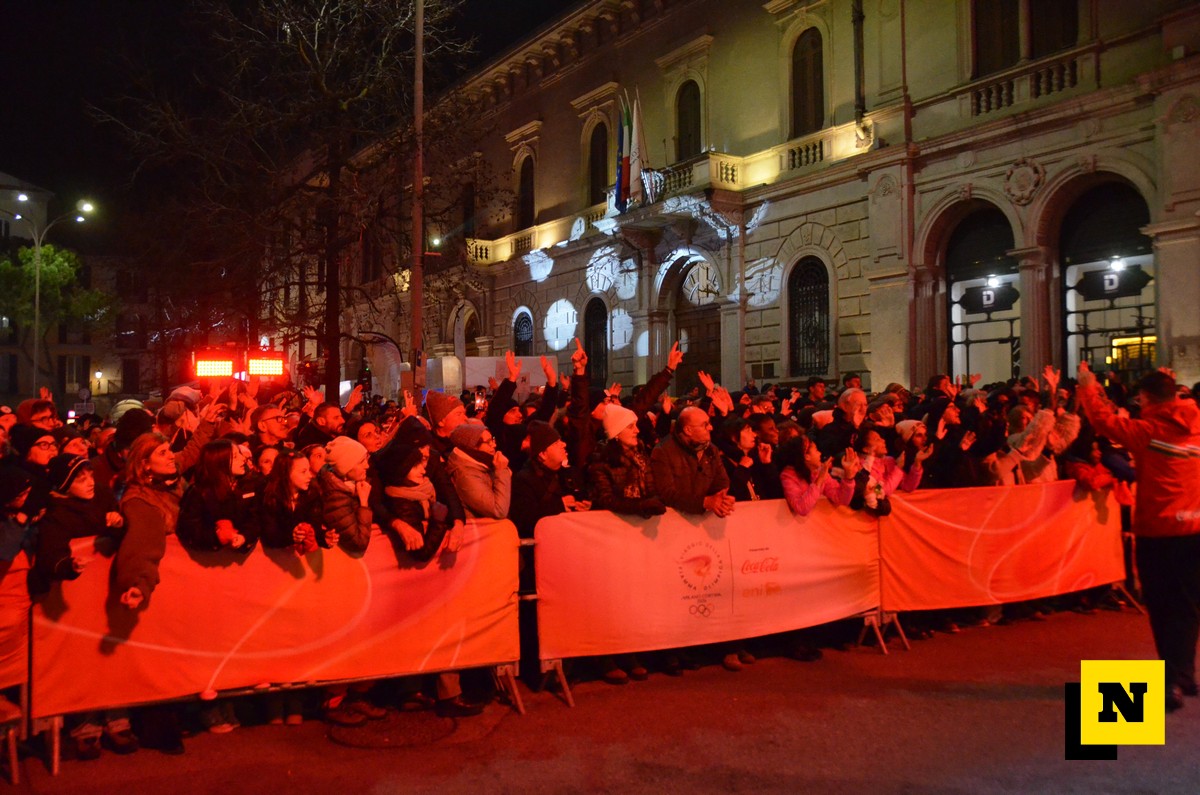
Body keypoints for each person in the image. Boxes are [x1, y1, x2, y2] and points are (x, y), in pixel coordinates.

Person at [1077, 362, 1200, 712]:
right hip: (1195, 527)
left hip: (1159, 530)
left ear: (1146, 398)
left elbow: (1104, 421)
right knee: (1189, 606)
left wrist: (1088, 385)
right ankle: (1185, 674)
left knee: (1163, 608)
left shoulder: (1148, 432)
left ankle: (1170, 681)